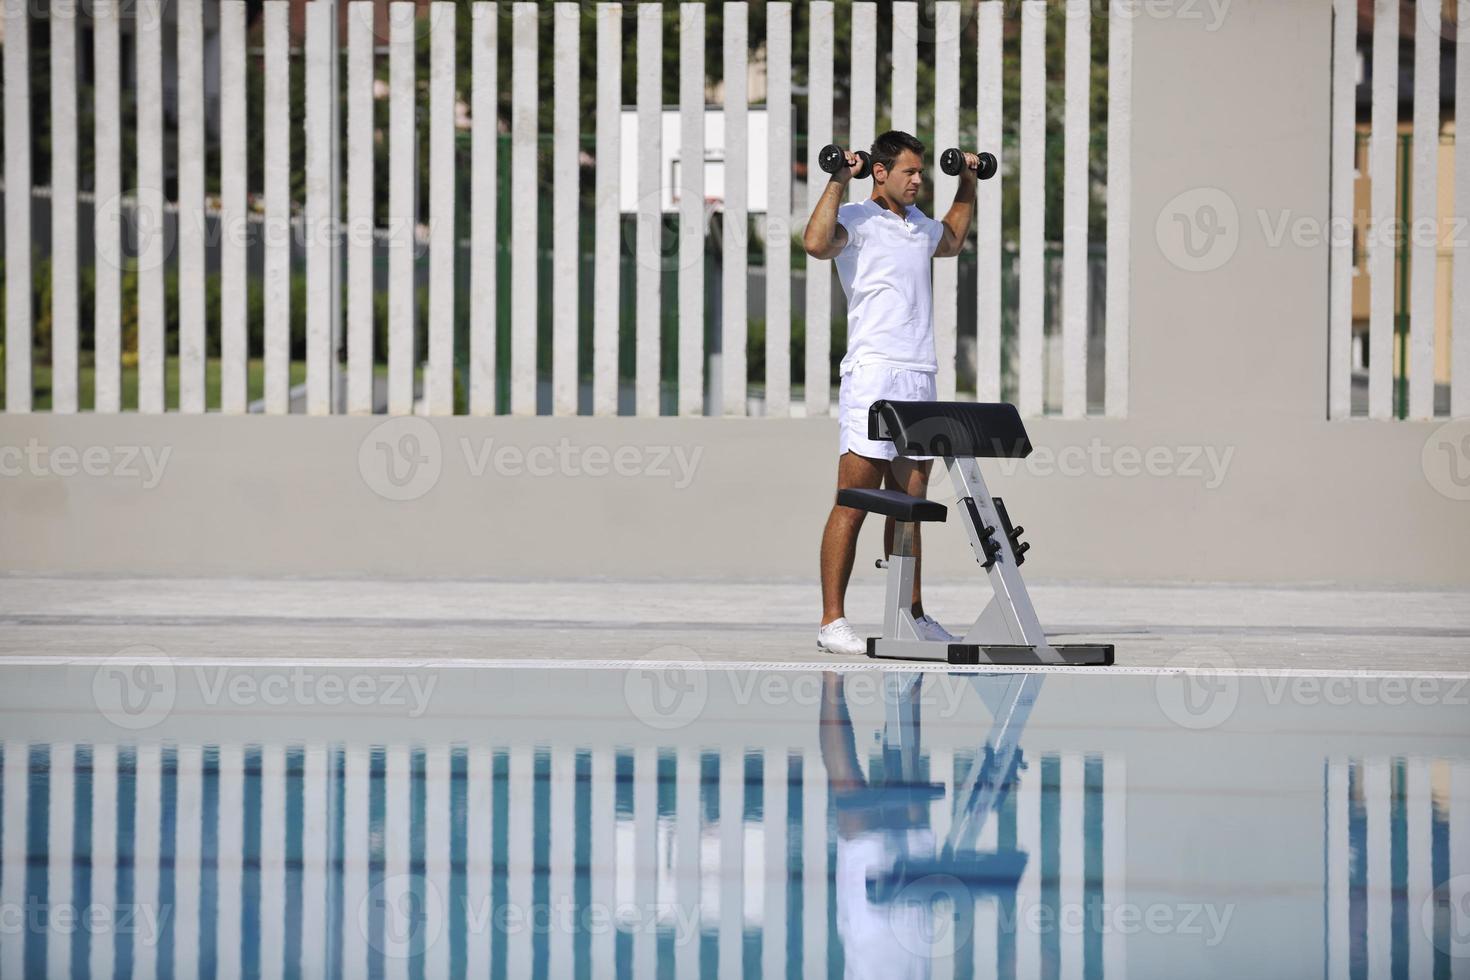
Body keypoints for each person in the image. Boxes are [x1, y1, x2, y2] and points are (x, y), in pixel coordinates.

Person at [803, 130, 980, 657]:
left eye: (922, 172)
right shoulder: (856, 221)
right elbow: (814, 244)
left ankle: (911, 616)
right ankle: (832, 621)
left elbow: (951, 241)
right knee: (854, 500)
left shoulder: (919, 225)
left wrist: (968, 181)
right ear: (880, 172)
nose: (918, 179)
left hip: (917, 374)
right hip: (874, 374)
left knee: (909, 505)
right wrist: (839, 175)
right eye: (909, 171)